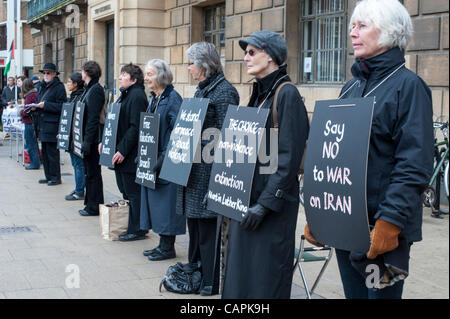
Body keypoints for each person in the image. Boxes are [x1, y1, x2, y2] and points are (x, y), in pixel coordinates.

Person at [304, 0, 434, 299]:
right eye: (352, 25)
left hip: (383, 230)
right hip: (346, 223)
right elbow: (332, 155)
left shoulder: (409, 87)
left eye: (362, 26)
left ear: (389, 33)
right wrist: (320, 212)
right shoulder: (350, 87)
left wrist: (390, 221)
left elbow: (414, 163)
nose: (352, 33)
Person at [221, 31, 309, 299]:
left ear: (270, 56)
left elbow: (288, 161)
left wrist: (265, 204)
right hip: (245, 201)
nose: (245, 58)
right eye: (245, 52)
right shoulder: (259, 93)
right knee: (242, 276)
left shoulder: (287, 94)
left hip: (270, 210)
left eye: (252, 52)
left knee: (264, 279)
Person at [176, 42, 239, 296]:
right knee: (196, 231)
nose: (188, 67)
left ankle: (210, 281)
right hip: (193, 173)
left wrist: (217, 182)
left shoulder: (225, 92)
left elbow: (228, 140)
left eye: (191, 63)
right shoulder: (201, 90)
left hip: (208, 174)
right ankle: (196, 273)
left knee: (209, 233)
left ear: (204, 65)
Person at [140, 59, 186, 260]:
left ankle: (168, 248)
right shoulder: (155, 98)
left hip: (167, 162)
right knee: (157, 205)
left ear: (161, 75)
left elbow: (179, 131)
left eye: (149, 74)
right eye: (146, 74)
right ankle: (162, 245)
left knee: (167, 207)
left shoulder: (173, 98)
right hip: (152, 159)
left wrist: (163, 158)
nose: (146, 78)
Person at [101, 63, 148, 240]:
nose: (120, 77)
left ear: (134, 79)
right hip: (121, 153)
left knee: (133, 193)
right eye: (120, 74)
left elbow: (135, 127)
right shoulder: (125, 95)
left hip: (130, 155)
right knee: (125, 191)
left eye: (124, 75)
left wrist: (122, 150)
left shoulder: (136, 96)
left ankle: (137, 229)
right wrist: (104, 141)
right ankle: (133, 225)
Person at [78, 61, 105, 216]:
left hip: (93, 139)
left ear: (86, 72)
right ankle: (91, 204)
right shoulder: (89, 89)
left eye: (82, 71)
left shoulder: (95, 90)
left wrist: (88, 142)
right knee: (90, 172)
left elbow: (93, 118)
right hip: (89, 137)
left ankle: (94, 206)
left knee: (93, 173)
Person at [34, 63, 67, 186]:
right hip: (42, 124)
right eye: (44, 73)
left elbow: (62, 106)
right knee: (45, 153)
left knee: (53, 154)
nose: (46, 75)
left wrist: (46, 105)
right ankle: (48, 176)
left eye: (48, 73)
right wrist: (35, 107)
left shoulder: (59, 87)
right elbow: (39, 101)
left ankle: (55, 177)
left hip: (52, 125)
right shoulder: (42, 86)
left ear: (54, 74)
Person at [65, 73, 86, 201]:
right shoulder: (73, 96)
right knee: (75, 164)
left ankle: (79, 190)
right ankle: (79, 187)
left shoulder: (80, 97)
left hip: (77, 136)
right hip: (71, 136)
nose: (67, 84)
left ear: (75, 84)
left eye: (69, 81)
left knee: (79, 165)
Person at [20, 79, 40, 170]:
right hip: (33, 121)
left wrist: (20, 112)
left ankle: (34, 163)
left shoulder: (29, 95)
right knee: (33, 143)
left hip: (29, 122)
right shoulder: (35, 93)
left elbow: (26, 111)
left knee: (30, 144)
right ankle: (35, 162)